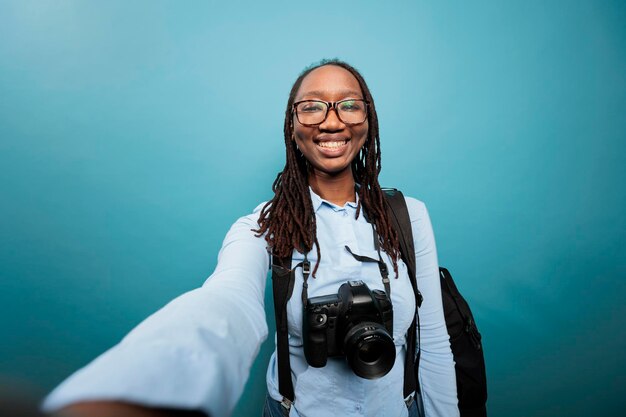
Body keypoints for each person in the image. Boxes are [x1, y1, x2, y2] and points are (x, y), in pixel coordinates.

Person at [42, 60, 459, 417]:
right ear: (292, 126)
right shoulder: (266, 224)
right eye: (312, 107)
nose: (332, 121)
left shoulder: (406, 216)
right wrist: (133, 388)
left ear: (368, 120)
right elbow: (228, 302)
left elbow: (434, 342)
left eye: (350, 105)